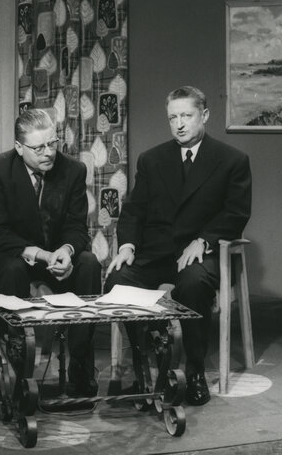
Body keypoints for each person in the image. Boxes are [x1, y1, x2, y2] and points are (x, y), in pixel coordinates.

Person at [106, 85, 252, 406]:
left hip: (198, 252)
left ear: (205, 116)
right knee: (117, 280)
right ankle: (149, 369)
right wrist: (127, 245)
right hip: (155, 251)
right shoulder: (152, 159)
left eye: (186, 116)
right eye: (173, 118)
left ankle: (195, 370)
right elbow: (134, 209)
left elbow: (236, 212)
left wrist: (204, 240)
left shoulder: (231, 160)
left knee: (195, 283)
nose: (180, 124)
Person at [0, 108, 102, 398]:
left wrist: (67, 251)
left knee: (89, 263)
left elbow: (77, 228)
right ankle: (18, 370)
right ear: (19, 148)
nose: (48, 153)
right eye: (39, 147)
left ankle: (81, 365)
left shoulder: (72, 170)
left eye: (52, 143)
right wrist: (41, 254)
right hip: (14, 255)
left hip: (57, 257)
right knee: (11, 269)